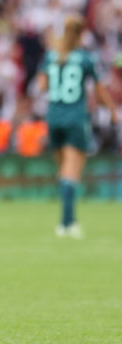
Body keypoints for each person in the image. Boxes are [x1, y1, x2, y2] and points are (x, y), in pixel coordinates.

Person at [34, 14, 115, 239]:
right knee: (72, 173)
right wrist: (112, 111)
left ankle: (69, 220)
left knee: (63, 172)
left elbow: (40, 86)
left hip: (54, 117)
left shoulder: (51, 56)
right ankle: (67, 223)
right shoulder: (85, 59)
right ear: (82, 33)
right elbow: (99, 89)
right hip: (75, 118)